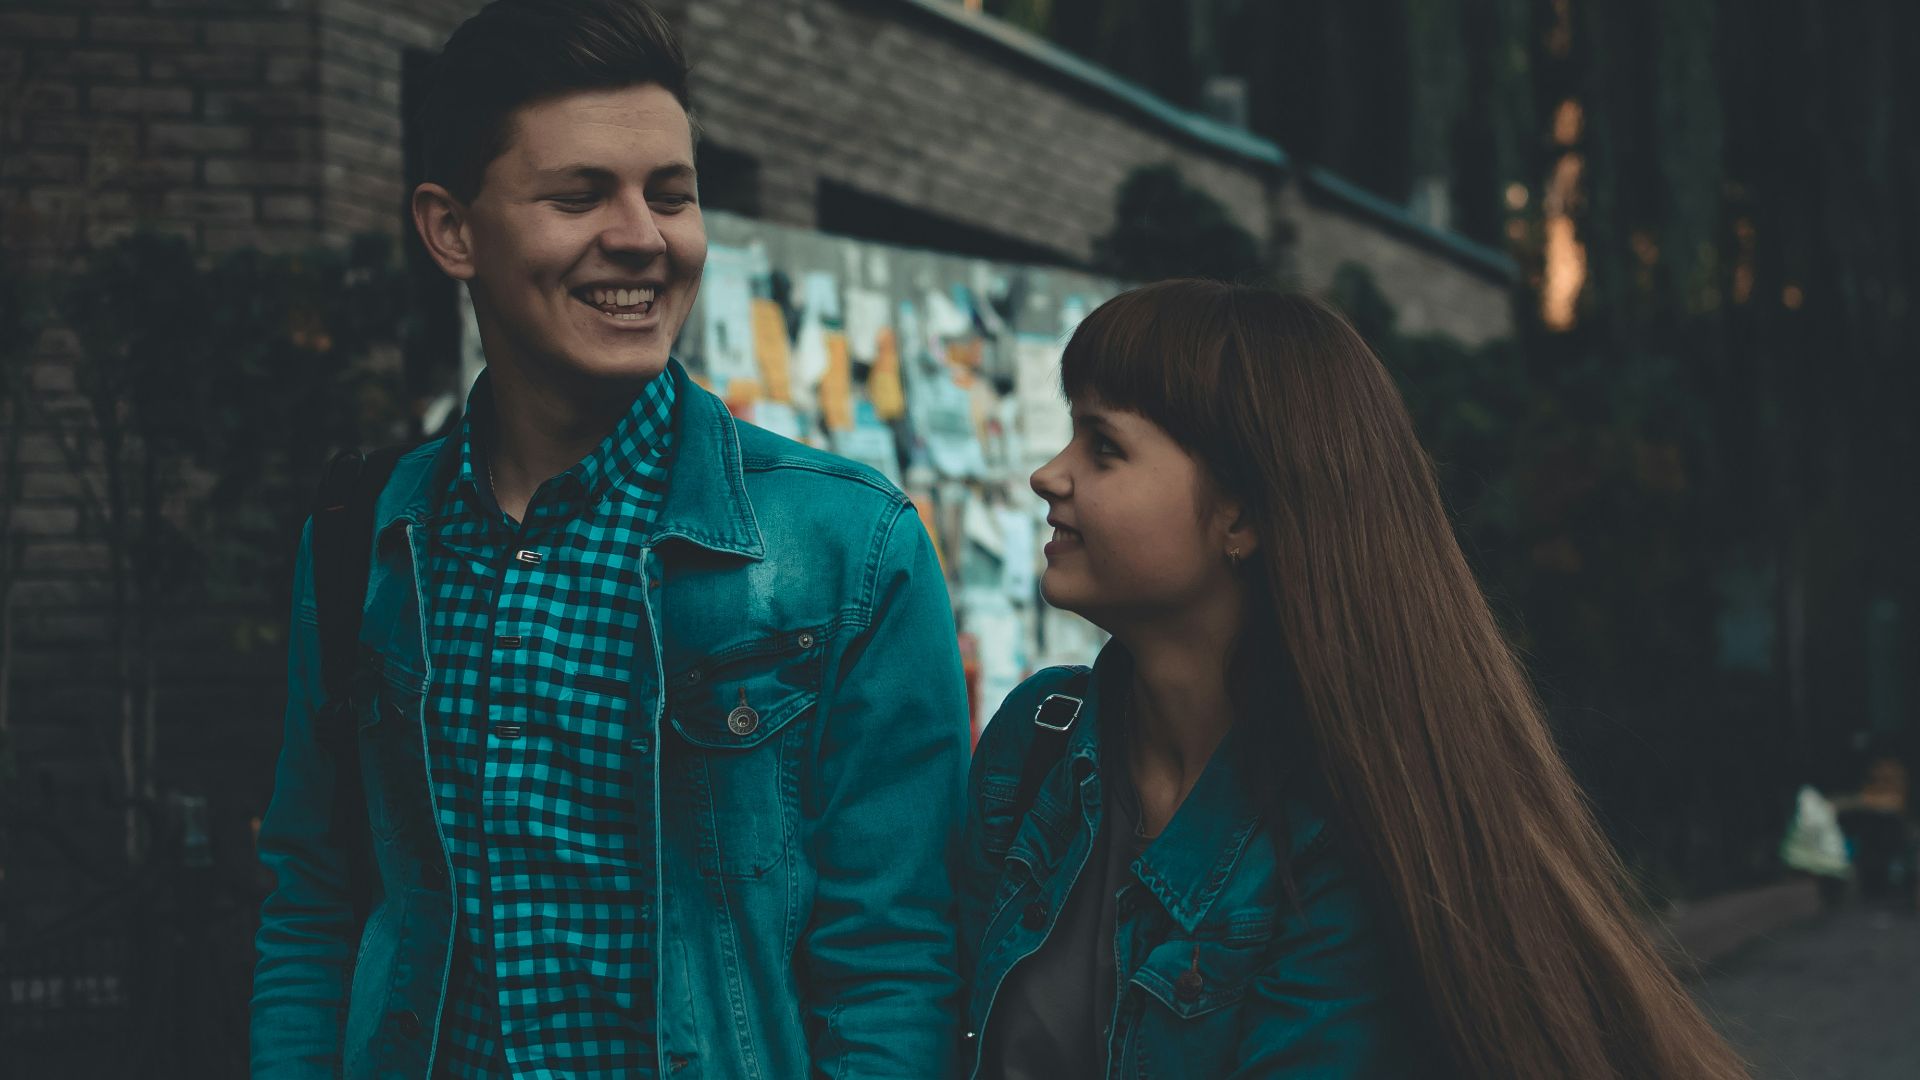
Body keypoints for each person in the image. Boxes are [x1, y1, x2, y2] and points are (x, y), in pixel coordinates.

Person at [249, 2, 969, 1076]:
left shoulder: (848, 549)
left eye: (669, 195)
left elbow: (894, 968)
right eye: (580, 194)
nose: (642, 236)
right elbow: (313, 908)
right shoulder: (370, 537)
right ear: (453, 230)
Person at [958, 280, 1750, 1078]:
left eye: (1103, 447)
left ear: (1241, 517)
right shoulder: (1037, 739)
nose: (1047, 476)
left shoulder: (1358, 818)